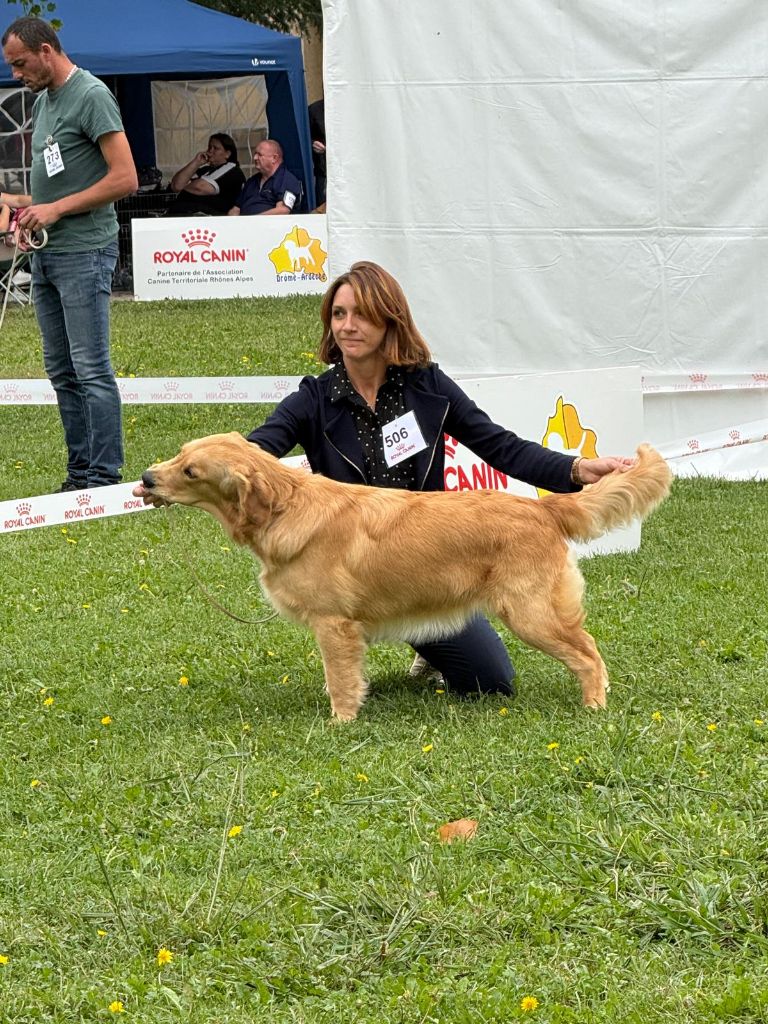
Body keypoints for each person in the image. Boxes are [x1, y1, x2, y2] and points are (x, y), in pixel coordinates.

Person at [137, 261, 632, 698]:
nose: (347, 326)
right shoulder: (315, 398)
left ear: (389, 321)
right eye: (338, 314)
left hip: (430, 567)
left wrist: (574, 470)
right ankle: (399, 648)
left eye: (362, 314)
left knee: (489, 682)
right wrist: (182, 479)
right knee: (349, 612)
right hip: (356, 574)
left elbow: (499, 445)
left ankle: (436, 644)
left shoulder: (427, 387)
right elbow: (256, 451)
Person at [1, 16, 138, 490]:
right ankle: (79, 473)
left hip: (85, 252)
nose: (16, 74)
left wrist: (55, 209)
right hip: (48, 253)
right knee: (61, 370)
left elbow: (125, 178)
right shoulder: (44, 101)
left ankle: (103, 475)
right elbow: (55, 187)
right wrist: (26, 214)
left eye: (21, 64)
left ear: (46, 51)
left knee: (90, 368)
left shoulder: (92, 95)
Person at [167, 133, 245, 217]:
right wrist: (196, 162)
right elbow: (176, 185)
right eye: (209, 147)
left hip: (208, 218)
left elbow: (199, 187)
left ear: (227, 154)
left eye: (215, 148)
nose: (210, 151)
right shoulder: (206, 170)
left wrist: (184, 185)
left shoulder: (231, 169)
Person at [228, 139, 301, 216]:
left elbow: (282, 210)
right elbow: (236, 209)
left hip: (270, 223)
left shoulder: (286, 180)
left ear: (274, 158)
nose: (255, 158)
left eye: (259, 155)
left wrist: (253, 220)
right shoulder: (251, 181)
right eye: (255, 154)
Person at [308, 98, 326, 207]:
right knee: (322, 207)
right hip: (323, 170)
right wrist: (312, 143)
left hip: (349, 169)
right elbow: (305, 136)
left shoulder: (352, 110)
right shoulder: (314, 110)